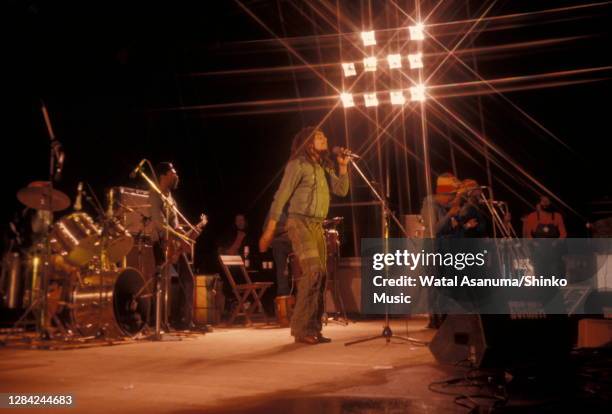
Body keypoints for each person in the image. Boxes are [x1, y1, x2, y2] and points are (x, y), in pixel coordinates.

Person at [259, 126, 350, 345]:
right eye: (319, 136)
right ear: (308, 142)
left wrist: (343, 166)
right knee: (313, 272)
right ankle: (300, 329)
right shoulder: (297, 164)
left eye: (324, 135)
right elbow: (281, 196)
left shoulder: (323, 166)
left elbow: (341, 190)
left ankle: (313, 328)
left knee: (321, 276)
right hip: (299, 222)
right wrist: (270, 230)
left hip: (317, 225)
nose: (324, 138)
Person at [148, 162, 195, 330]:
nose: (176, 176)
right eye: (172, 173)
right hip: (160, 242)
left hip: (174, 243)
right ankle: (156, 320)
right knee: (161, 281)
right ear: (163, 175)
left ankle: (184, 320)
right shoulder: (155, 194)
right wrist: (178, 236)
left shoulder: (170, 198)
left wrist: (183, 234)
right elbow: (159, 222)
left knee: (188, 279)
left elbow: (174, 224)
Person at [420, 173, 461, 329]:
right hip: (432, 251)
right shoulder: (430, 205)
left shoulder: (443, 207)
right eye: (450, 196)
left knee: (444, 286)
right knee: (434, 286)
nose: (452, 200)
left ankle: (443, 318)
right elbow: (434, 230)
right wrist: (449, 216)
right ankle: (436, 320)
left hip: (443, 251)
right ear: (442, 193)